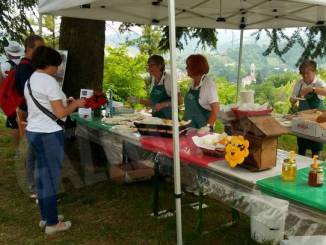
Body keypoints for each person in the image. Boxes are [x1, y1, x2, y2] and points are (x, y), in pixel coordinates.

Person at [25, 46, 85, 234]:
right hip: (49, 134)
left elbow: (48, 107)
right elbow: (59, 113)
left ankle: (46, 217)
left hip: (34, 132)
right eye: (56, 65)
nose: (58, 69)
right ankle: (52, 224)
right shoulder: (49, 82)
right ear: (48, 64)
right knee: (50, 180)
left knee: (42, 177)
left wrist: (65, 103)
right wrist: (74, 104)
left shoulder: (31, 79)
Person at [15, 35, 45, 199]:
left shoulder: (28, 66)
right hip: (29, 113)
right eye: (39, 49)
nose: (42, 53)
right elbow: (32, 94)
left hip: (30, 112)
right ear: (30, 49)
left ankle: (34, 186)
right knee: (32, 151)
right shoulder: (26, 68)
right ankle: (33, 187)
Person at [290, 60, 326, 157]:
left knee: (316, 151)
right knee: (301, 148)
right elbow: (292, 100)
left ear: (314, 72)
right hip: (302, 122)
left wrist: (311, 89)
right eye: (302, 73)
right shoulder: (300, 83)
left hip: (316, 122)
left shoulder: (319, 82)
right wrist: (294, 99)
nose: (305, 76)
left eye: (307, 73)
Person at [128, 55, 181, 119]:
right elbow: (152, 102)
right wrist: (138, 100)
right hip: (156, 118)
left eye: (151, 65)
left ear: (160, 66)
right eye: (148, 66)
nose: (149, 68)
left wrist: (164, 104)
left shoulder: (169, 78)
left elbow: (180, 100)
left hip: (169, 119)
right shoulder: (153, 79)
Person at [0, 41, 24, 158]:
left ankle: (17, 151)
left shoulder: (5, 65)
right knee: (24, 122)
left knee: (14, 125)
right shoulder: (24, 64)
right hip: (23, 98)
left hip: (11, 101)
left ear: (8, 53)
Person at [184, 54, 219, 133]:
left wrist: (207, 127)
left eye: (188, 66)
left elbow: (216, 109)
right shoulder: (192, 83)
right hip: (189, 128)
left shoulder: (208, 84)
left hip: (202, 132)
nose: (186, 68)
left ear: (195, 67)